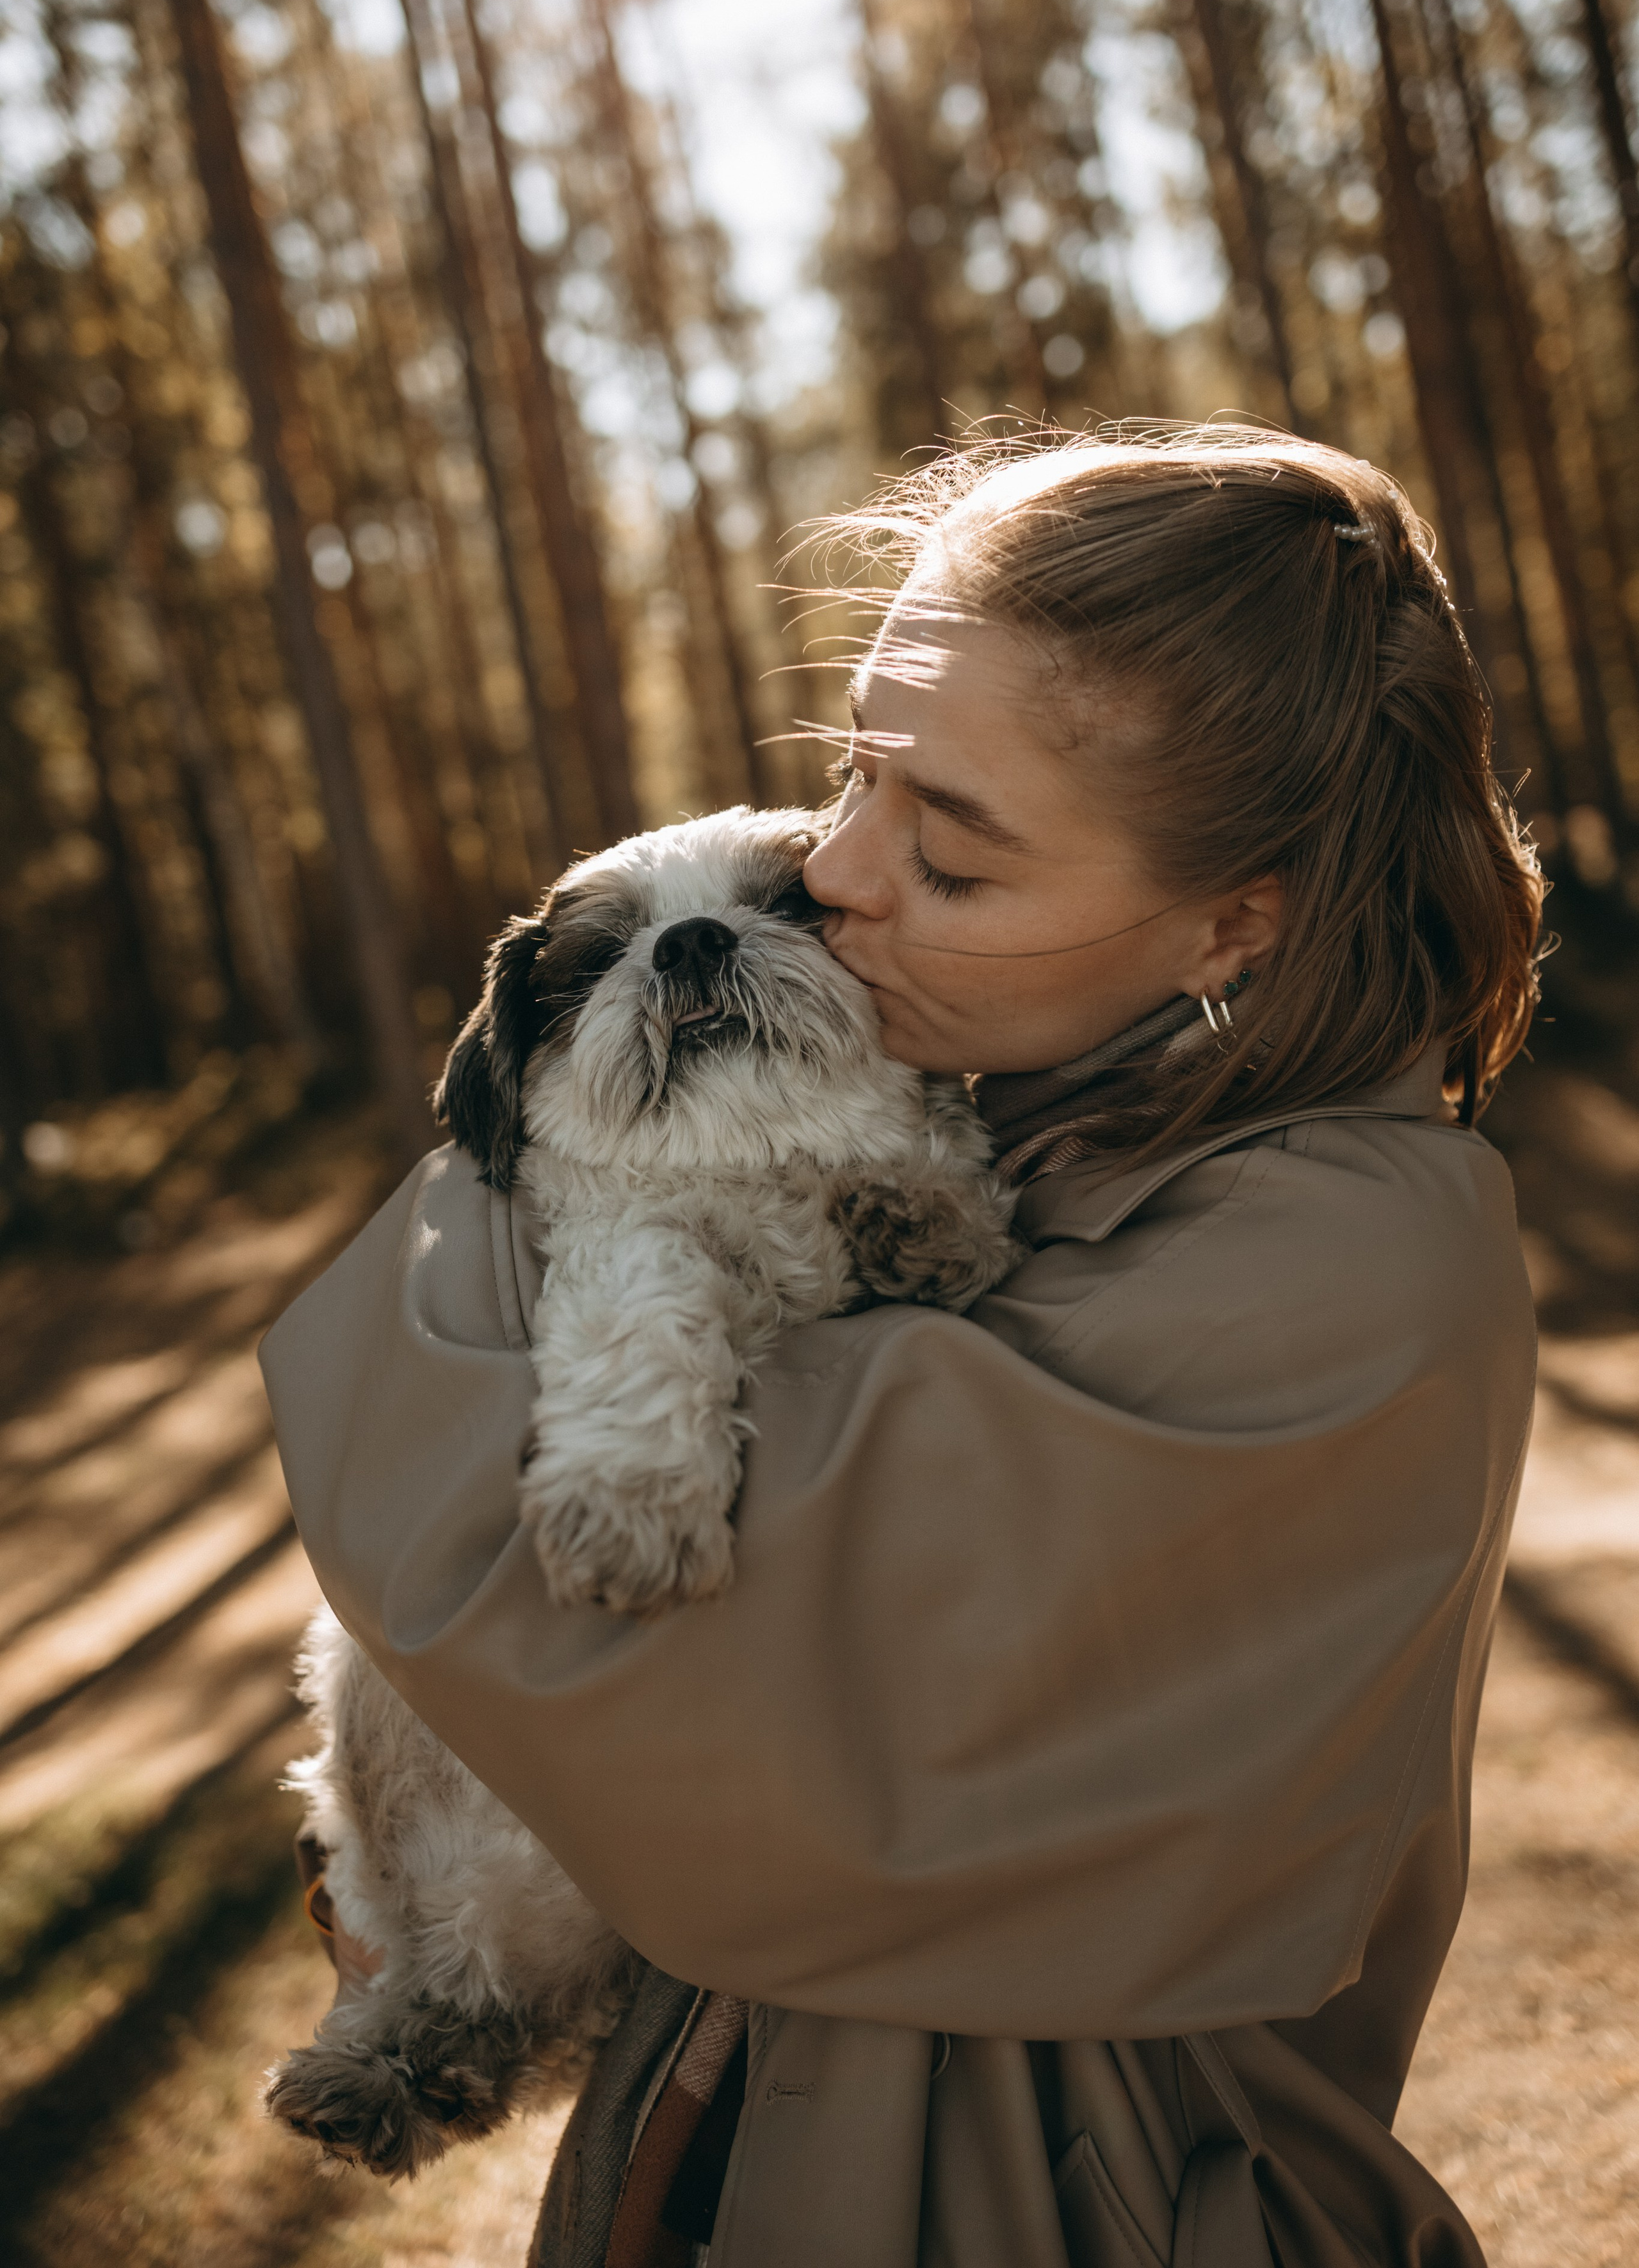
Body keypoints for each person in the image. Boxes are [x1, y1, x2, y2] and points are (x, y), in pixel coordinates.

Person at [261, 425, 1542, 2267]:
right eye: (857, 778)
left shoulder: (1351, 1267)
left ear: (1231, 923)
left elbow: (593, 1644)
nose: (840, 879)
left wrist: (585, 1199)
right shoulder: (980, 1090)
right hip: (727, 2162)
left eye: (947, 854)